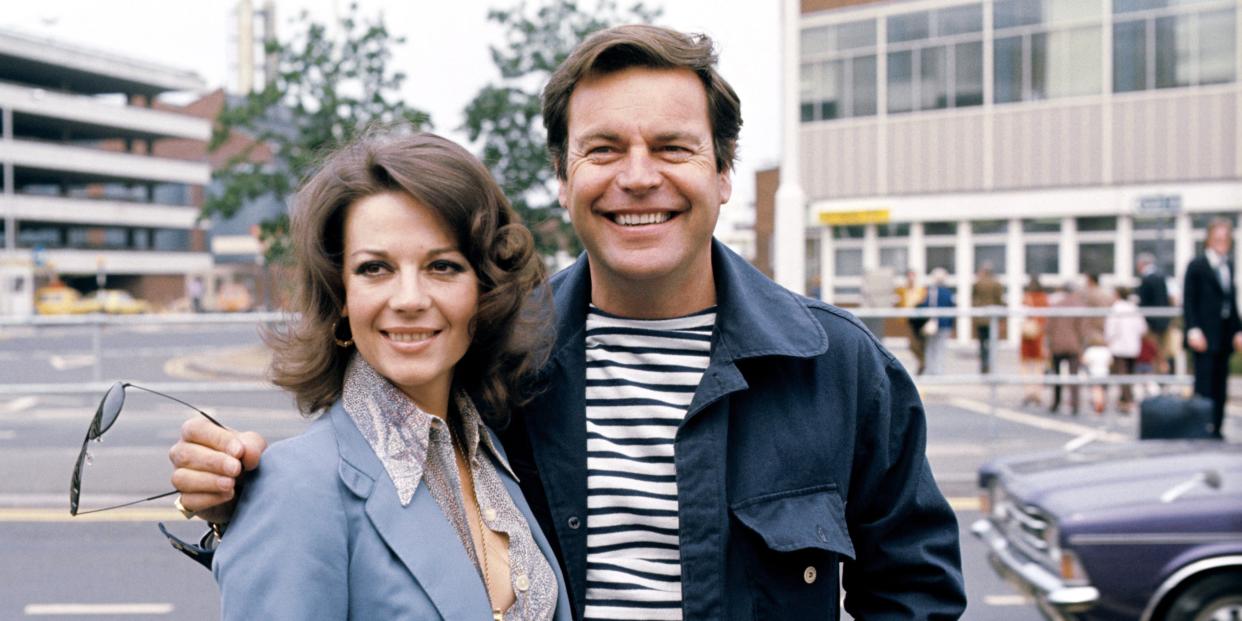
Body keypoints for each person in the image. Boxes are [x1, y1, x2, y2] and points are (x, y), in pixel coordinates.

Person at [170, 25, 966, 618]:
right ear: (562, 177)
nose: (639, 177)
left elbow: (915, 591)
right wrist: (242, 496)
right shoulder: (501, 358)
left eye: (673, 148)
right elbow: (377, 489)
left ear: (724, 173)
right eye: (604, 149)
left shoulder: (838, 366)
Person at [205, 132, 571, 619]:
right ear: (341, 295)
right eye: (375, 268)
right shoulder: (296, 488)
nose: (409, 299)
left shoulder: (491, 451)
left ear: (483, 291)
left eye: (442, 266)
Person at [1183, 218, 1242, 439]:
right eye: (1217, 238)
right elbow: (1189, 301)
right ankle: (1201, 427)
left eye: (1225, 238)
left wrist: (1238, 330)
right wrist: (1193, 329)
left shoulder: (1229, 265)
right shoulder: (1197, 265)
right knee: (1204, 383)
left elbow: (1231, 301)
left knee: (1221, 384)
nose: (1222, 242)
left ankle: (1217, 428)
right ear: (1208, 239)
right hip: (1204, 335)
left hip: (1225, 335)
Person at [1105, 287, 1146, 414]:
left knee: (1122, 375)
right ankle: (1126, 399)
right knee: (1130, 374)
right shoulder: (1134, 308)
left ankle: (1126, 401)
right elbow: (1142, 328)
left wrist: (1109, 340)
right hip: (1133, 346)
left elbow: (1111, 329)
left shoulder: (1116, 308)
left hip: (1119, 346)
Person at [1047, 281, 1086, 415]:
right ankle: (1074, 404)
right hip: (1073, 345)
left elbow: (1049, 327)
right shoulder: (1079, 307)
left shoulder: (1056, 305)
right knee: (1074, 375)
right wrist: (1082, 346)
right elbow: (1082, 329)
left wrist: (1050, 342)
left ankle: (1056, 402)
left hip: (1057, 344)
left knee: (1057, 375)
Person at [1135, 252, 1171, 373]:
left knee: (1153, 353)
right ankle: (1163, 378)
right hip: (1164, 321)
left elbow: (1143, 302)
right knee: (1162, 353)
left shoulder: (1146, 280)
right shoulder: (1162, 277)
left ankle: (1157, 379)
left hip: (1151, 323)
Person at [918, 267, 955, 376]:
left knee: (930, 347)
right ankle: (939, 371)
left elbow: (925, 305)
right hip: (945, 324)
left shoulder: (930, 291)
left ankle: (930, 370)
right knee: (940, 348)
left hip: (932, 323)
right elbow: (951, 308)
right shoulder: (948, 293)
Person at [1019, 277, 1049, 407]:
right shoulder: (1044, 299)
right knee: (1039, 366)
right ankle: (1038, 392)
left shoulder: (1026, 298)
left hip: (1027, 335)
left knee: (1025, 365)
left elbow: (1021, 316)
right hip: (1040, 334)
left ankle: (1028, 391)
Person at [971, 262, 1004, 374]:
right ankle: (990, 365)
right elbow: (999, 300)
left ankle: (983, 365)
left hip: (981, 318)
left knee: (982, 344)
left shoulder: (978, 283)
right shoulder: (996, 284)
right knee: (992, 343)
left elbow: (973, 299)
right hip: (991, 319)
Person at [899, 269, 928, 375]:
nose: (911, 278)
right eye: (909, 276)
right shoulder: (902, 290)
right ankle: (922, 362)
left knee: (922, 343)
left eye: (913, 276)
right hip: (909, 319)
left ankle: (923, 364)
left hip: (920, 320)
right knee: (912, 344)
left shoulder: (921, 290)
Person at [1082, 335, 1114, 415]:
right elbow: (1110, 362)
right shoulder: (1106, 350)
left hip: (1093, 372)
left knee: (1096, 390)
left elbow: (1084, 360)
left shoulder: (1090, 350)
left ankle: (1098, 405)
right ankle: (1101, 403)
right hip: (1104, 372)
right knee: (1102, 390)